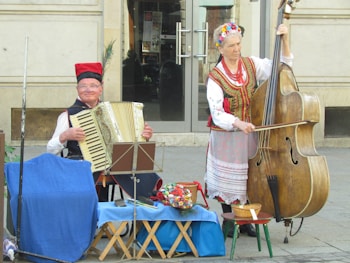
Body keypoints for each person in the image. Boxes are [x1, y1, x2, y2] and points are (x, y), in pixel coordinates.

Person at [205, 22, 293, 237]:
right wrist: (238, 123)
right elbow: (217, 113)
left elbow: (282, 67)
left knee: (251, 176)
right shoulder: (215, 77)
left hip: (251, 133)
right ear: (220, 48)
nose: (237, 49)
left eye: (239, 44)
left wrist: (285, 39)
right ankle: (229, 219)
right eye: (231, 45)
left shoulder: (251, 65)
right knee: (227, 179)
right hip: (227, 135)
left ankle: (246, 219)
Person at [47, 62, 153, 201]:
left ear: (101, 88)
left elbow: (129, 141)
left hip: (115, 163)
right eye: (83, 86)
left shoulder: (111, 111)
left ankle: (143, 216)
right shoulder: (68, 115)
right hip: (81, 163)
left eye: (93, 86)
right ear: (77, 89)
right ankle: (90, 217)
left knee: (144, 175)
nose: (88, 90)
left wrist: (144, 136)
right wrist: (64, 136)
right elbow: (50, 150)